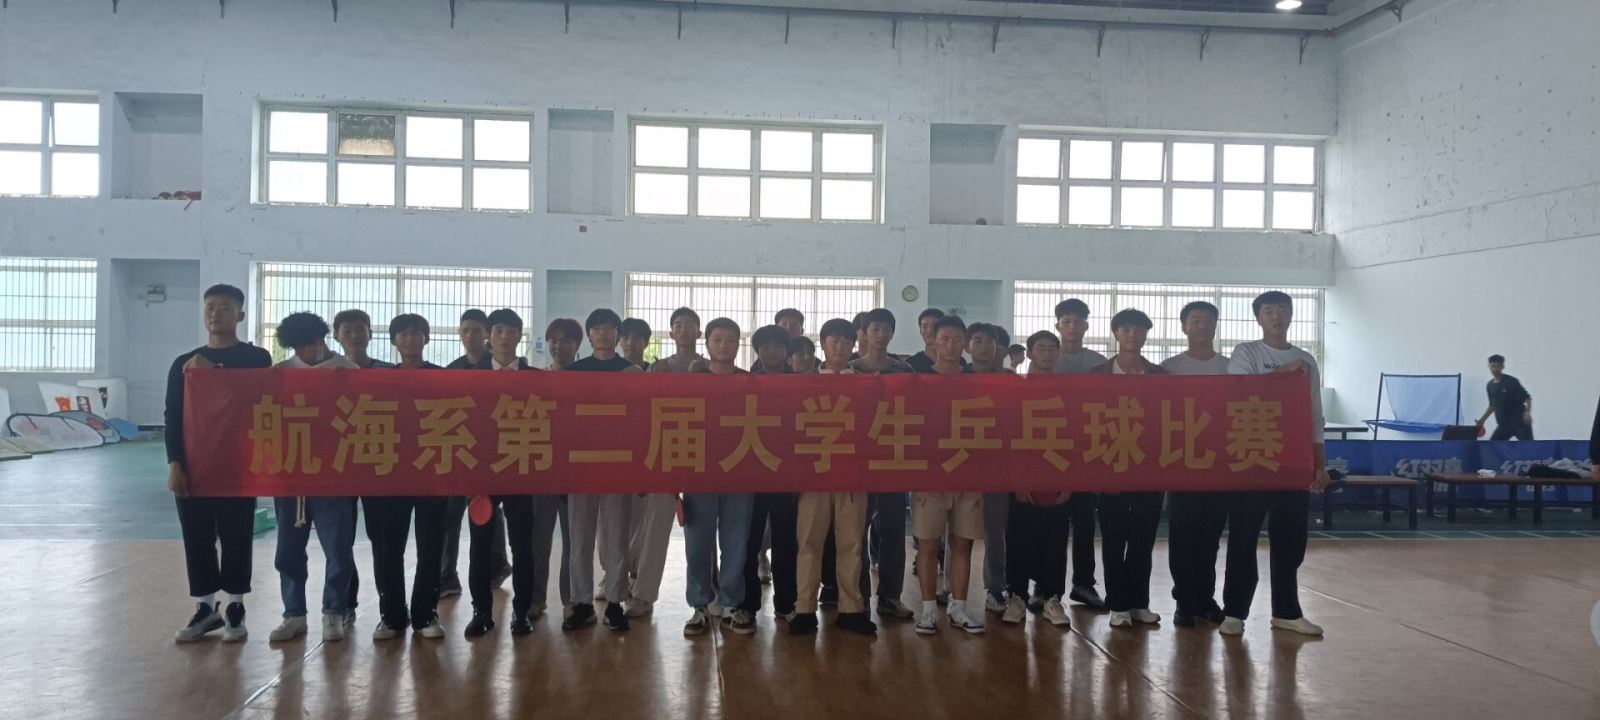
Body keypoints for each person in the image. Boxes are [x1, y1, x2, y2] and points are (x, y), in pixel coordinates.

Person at [168, 284, 274, 643]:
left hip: (238, 465)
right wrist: (175, 463)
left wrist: (213, 369)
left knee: (236, 535)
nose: (216, 314)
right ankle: (204, 607)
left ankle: (235, 606)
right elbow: (173, 416)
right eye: (210, 307)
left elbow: (254, 396)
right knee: (196, 536)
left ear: (240, 315)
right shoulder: (183, 364)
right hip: (195, 465)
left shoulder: (256, 358)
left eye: (225, 308)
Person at [1221, 291, 1329, 637]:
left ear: (1292, 314)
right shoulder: (1247, 352)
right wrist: (1283, 373)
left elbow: (1315, 415)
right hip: (1252, 458)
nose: (1276, 316)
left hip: (1293, 462)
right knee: (1243, 538)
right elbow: (1239, 392)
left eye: (1282, 310)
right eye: (1268, 311)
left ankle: (1287, 612)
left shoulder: (1306, 360)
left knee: (1290, 541)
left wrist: (1319, 464)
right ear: (1258, 317)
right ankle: (1234, 612)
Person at [267, 312, 361, 644]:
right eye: (298, 347)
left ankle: (334, 611)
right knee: (288, 549)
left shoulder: (347, 371)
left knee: (338, 547)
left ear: (322, 340)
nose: (305, 352)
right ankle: (294, 614)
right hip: (291, 475)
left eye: (309, 344)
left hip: (334, 475)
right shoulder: (281, 374)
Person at [365, 314, 448, 640]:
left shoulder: (443, 378)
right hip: (392, 475)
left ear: (426, 338)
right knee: (389, 549)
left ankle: (426, 615)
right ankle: (391, 616)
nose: (410, 339)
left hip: (432, 474)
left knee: (430, 549)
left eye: (416, 333)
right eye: (403, 334)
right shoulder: (379, 379)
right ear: (393, 341)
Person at [791, 318, 877, 636]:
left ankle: (851, 608)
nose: (840, 347)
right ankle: (804, 608)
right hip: (812, 476)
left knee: (852, 544)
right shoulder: (801, 383)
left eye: (846, 342)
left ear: (854, 345)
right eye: (834, 341)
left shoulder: (868, 384)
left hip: (853, 475)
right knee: (808, 542)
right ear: (823, 344)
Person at [562, 308, 641, 633]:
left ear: (618, 335)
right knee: (579, 536)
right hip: (581, 465)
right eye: (597, 328)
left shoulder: (632, 372)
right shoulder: (574, 372)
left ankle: (615, 602)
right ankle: (581, 603)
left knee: (616, 537)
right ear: (589, 335)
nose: (603, 333)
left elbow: (640, 417)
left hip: (618, 464)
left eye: (609, 328)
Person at [465, 308, 541, 638]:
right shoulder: (468, 375)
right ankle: (481, 611)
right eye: (498, 331)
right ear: (489, 335)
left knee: (523, 545)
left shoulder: (536, 377)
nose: (505, 337)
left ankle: (521, 612)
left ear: (520, 336)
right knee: (480, 546)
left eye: (511, 331)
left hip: (521, 470)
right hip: (481, 474)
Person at [1090, 309, 1167, 629]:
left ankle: (1139, 603)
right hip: (1111, 466)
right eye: (1126, 329)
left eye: (1138, 330)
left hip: (1149, 468)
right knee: (1113, 538)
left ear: (1146, 334)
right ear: (1116, 334)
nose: (1132, 335)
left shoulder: (1159, 375)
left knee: (1143, 540)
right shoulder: (1098, 373)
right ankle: (1118, 604)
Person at [682, 318, 758, 636]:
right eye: (717, 339)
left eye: (730, 340)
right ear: (707, 344)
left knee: (735, 541)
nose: (723, 345)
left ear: (738, 344)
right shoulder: (694, 382)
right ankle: (699, 606)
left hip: (740, 472)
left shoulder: (750, 382)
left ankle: (730, 604)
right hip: (700, 473)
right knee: (697, 543)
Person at [911, 315, 985, 635]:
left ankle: (959, 606)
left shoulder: (978, 381)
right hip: (930, 476)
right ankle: (928, 609)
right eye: (945, 339)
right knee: (928, 546)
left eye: (957, 339)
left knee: (962, 544)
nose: (951, 345)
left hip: (968, 475)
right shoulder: (918, 380)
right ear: (933, 340)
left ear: (965, 343)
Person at [1161, 301, 1231, 628]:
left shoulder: (1231, 367)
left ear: (1216, 326)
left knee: (1210, 536)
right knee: (1182, 535)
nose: (1202, 325)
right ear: (1184, 326)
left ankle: (1205, 598)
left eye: (1208, 320)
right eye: (1195, 320)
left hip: (1219, 464)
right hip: (1182, 462)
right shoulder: (1169, 368)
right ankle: (1184, 601)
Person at [848, 308, 917, 622]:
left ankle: (890, 596)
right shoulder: (850, 370)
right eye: (874, 328)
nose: (880, 334)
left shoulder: (905, 370)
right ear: (863, 333)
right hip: (858, 461)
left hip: (893, 460)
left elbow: (916, 409)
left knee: (893, 530)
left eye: (886, 329)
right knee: (856, 532)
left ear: (892, 333)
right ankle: (858, 596)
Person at [1000, 331, 1073, 629]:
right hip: (1023, 477)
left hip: (1057, 475)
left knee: (1055, 542)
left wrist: (1070, 481)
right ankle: (1016, 597)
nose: (1047, 353)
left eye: (1052, 348)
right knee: (1019, 541)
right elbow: (1008, 436)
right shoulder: (1015, 390)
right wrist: (1017, 480)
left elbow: (1077, 436)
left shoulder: (1069, 391)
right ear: (1029, 353)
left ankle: (1052, 599)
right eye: (1041, 348)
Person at [441, 309, 508, 599]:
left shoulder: (500, 368)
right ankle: (447, 575)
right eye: (465, 330)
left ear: (487, 334)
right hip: (458, 451)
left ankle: (496, 566)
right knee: (451, 513)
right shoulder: (451, 371)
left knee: (488, 512)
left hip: (492, 453)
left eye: (477, 330)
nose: (470, 336)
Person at [741, 325, 800, 627]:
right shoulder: (745, 383)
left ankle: (786, 603)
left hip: (787, 473)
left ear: (787, 351)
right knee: (749, 542)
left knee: (786, 542)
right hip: (751, 472)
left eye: (777, 346)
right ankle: (747, 604)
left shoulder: (801, 384)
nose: (771, 352)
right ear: (757, 351)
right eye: (765, 347)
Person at [1054, 298, 1107, 610]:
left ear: (1086, 326)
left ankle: (1084, 584)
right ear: (1058, 325)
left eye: (1078, 321)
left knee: (1085, 522)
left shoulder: (1098, 363)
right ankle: (1046, 587)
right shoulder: (1047, 359)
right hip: (1052, 449)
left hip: (1087, 451)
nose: (1072, 327)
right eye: (1066, 321)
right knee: (1052, 524)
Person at [967, 322, 1013, 617]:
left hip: (997, 465)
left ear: (998, 347)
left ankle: (995, 587)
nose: (984, 346)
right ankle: (952, 588)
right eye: (977, 340)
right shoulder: (955, 379)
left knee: (996, 531)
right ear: (967, 345)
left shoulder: (1009, 381)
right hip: (961, 463)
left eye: (989, 342)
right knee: (957, 533)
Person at [1476, 355, 1534, 440]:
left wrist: (1527, 413)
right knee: (1493, 445)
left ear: (1502, 367)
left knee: (1529, 447)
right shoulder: (1490, 385)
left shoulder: (1512, 381)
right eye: (1493, 366)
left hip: (1520, 423)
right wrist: (1482, 420)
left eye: (1497, 366)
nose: (1495, 369)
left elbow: (1527, 398)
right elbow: (1492, 406)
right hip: (1503, 425)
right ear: (1489, 366)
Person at [333, 309, 397, 369]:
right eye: (347, 331)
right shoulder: (331, 370)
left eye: (359, 330)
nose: (354, 336)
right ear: (336, 336)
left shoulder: (388, 369)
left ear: (370, 334)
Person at [905, 308, 945, 373]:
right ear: (920, 331)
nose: (929, 331)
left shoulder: (957, 362)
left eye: (934, 326)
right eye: (925, 327)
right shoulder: (910, 365)